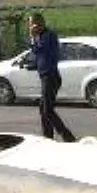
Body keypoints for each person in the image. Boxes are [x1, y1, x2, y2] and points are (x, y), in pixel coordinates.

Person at [28, 12, 75, 142]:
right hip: (45, 76)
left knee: (47, 110)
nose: (31, 27)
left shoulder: (48, 35)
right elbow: (37, 53)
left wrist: (32, 37)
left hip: (51, 76)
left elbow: (40, 49)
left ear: (39, 24)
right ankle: (48, 138)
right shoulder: (40, 36)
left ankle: (67, 136)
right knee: (43, 110)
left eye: (32, 24)